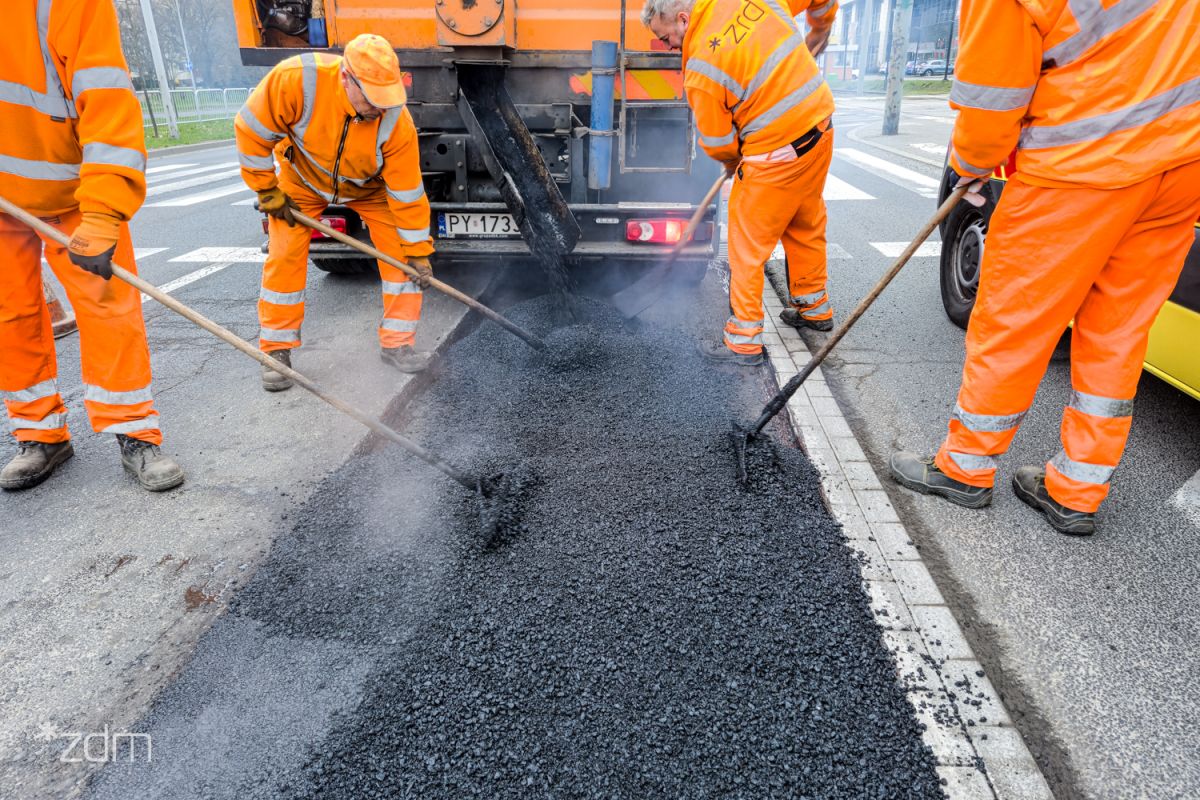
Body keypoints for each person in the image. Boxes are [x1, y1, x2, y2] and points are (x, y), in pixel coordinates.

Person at [890, 0, 1200, 535]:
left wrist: (970, 164)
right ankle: (1076, 491)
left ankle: (965, 467)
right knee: (1118, 330)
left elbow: (992, 101)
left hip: (1081, 162)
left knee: (1014, 317)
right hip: (1183, 162)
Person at [0, 0, 184, 492]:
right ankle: (39, 433)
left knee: (108, 310)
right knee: (9, 316)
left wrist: (103, 211)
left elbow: (107, 103)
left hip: (72, 190)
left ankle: (133, 430)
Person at [641, 0, 839, 367]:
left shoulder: (700, 69)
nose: (668, 47)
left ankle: (744, 340)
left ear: (683, 20)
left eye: (666, 37)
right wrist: (820, 28)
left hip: (775, 151)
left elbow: (717, 143)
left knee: (747, 246)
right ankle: (814, 308)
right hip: (820, 125)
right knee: (804, 219)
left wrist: (734, 161)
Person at [235, 33, 435, 391]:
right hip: (302, 181)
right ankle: (276, 351)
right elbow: (250, 130)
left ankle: (397, 344)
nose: (379, 108)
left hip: (368, 189)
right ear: (346, 77)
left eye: (386, 98)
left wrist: (419, 251)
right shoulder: (295, 81)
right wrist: (266, 190)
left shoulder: (396, 122)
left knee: (401, 257)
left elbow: (407, 194)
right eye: (373, 98)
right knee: (284, 256)